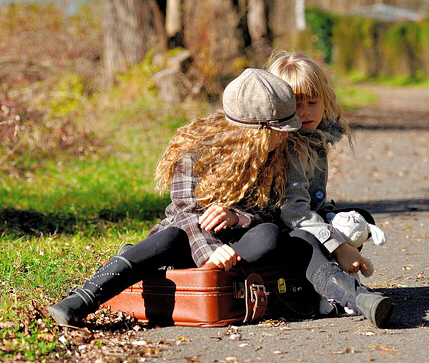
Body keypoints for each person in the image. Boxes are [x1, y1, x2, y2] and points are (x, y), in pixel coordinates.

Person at [47, 68, 302, 326]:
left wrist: (236, 217)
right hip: (187, 238)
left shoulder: (277, 155)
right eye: (279, 129)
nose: (285, 135)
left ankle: (203, 280)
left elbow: (271, 210)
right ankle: (82, 298)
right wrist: (211, 253)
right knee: (171, 236)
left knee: (269, 234)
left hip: (237, 246)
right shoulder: (195, 153)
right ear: (255, 130)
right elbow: (185, 213)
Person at [263, 51, 393, 328]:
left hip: (299, 222)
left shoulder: (313, 139)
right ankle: (353, 297)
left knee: (357, 217)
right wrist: (338, 244)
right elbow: (293, 210)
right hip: (278, 229)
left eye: (313, 102)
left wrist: (335, 220)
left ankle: (338, 289)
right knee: (310, 240)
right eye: (297, 104)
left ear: (326, 100)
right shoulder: (288, 146)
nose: (306, 112)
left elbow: (314, 203)